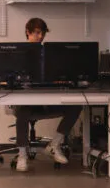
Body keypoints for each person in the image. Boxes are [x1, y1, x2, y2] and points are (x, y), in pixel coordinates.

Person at [13, 17, 82, 172]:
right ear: (28, 33)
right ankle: (22, 154)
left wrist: (59, 79)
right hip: (28, 100)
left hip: (49, 97)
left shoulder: (50, 54)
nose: (40, 36)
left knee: (76, 106)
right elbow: (11, 75)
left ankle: (54, 145)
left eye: (42, 33)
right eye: (37, 33)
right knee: (22, 113)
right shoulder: (20, 53)